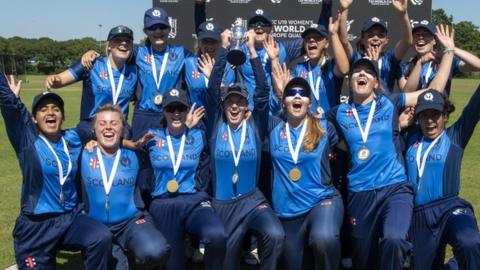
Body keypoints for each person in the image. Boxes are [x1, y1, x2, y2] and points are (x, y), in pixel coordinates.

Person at [325, 25, 456, 270]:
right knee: (363, 257)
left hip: (394, 188)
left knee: (394, 239)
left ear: (376, 82)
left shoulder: (389, 103)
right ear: (350, 80)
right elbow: (319, 132)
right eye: (356, 72)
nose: (360, 75)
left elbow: (433, 92)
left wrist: (448, 52)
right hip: (360, 192)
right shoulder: (338, 113)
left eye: (367, 72)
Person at [0, 74, 112, 269]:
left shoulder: (73, 137)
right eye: (43, 109)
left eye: (55, 109)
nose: (50, 113)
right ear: (34, 118)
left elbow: (102, 121)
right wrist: (12, 99)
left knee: (101, 237)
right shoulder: (27, 140)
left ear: (62, 116)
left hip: (70, 218)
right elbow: (9, 107)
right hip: (36, 226)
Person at [204, 29, 284, 270]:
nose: (235, 106)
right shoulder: (216, 126)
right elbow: (212, 89)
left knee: (276, 234)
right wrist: (225, 50)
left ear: (246, 106)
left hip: (252, 201)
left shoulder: (255, 125)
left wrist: (252, 53)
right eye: (230, 101)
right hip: (223, 205)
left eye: (240, 102)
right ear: (224, 104)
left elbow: (262, 91)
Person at [143, 88, 227, 270]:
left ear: (187, 111)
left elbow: (219, 114)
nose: (175, 113)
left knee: (217, 235)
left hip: (193, 201)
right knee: (174, 265)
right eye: (170, 109)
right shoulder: (151, 137)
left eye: (180, 109)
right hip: (163, 203)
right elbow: (123, 144)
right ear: (163, 111)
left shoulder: (198, 136)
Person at [78, 104, 170, 269]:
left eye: (114, 123)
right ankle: (116, 252)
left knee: (156, 250)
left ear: (123, 128)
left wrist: (188, 126)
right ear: (94, 128)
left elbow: (171, 146)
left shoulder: (136, 154)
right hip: (95, 226)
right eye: (102, 123)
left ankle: (129, 245)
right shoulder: (83, 153)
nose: (108, 127)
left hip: (129, 223)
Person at [268, 71, 344, 270]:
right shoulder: (273, 127)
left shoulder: (324, 127)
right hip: (288, 212)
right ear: (283, 101)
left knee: (324, 238)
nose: (297, 97)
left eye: (303, 93)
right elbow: (258, 104)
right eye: (291, 93)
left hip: (321, 201)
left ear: (309, 103)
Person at [404, 87, 480, 270]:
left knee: (469, 241)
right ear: (417, 118)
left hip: (450, 207)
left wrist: (450, 56)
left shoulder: (455, 136)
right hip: (419, 215)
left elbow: (474, 106)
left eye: (435, 114)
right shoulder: (409, 137)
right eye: (424, 115)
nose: (430, 120)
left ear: (445, 115)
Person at [44, 25, 137, 137]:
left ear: (132, 47)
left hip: (120, 128)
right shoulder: (92, 64)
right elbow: (61, 80)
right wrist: (54, 79)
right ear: (109, 46)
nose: (123, 44)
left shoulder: (135, 71)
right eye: (117, 40)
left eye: (128, 41)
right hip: (91, 126)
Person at [338, 0, 412, 93]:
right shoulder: (356, 58)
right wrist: (344, 9)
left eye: (380, 35)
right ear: (362, 39)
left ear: (386, 41)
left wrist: (404, 14)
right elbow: (344, 41)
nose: (376, 38)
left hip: (384, 107)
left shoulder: (390, 58)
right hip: (359, 107)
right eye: (370, 35)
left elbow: (407, 41)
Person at [399, 22, 480, 95]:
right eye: (416, 34)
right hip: (414, 111)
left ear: (434, 40)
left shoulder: (445, 61)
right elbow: (406, 94)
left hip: (438, 111)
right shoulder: (405, 67)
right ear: (412, 40)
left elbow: (478, 65)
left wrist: (451, 48)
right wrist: (419, 64)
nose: (421, 37)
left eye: (426, 34)